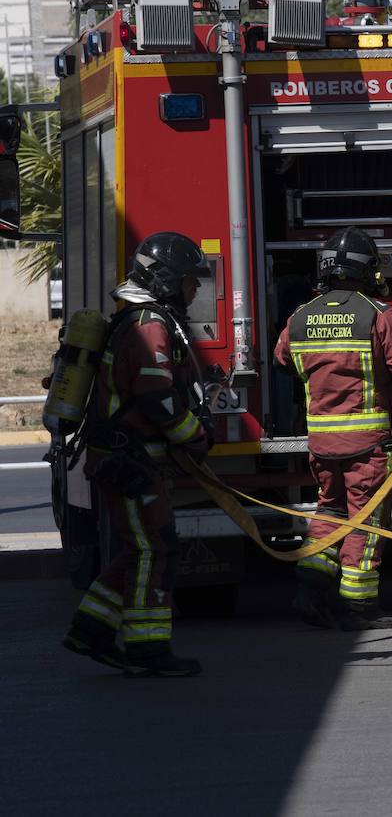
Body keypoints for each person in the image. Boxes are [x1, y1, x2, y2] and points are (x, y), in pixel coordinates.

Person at [62, 232, 212, 678]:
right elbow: (157, 398)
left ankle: (91, 631)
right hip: (132, 464)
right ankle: (148, 649)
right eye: (189, 280)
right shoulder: (150, 324)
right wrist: (194, 438)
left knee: (137, 549)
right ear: (165, 279)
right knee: (153, 550)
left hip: (123, 459)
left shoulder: (141, 317)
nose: (196, 288)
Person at [276, 226, 392, 631]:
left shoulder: (299, 317)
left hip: (322, 444)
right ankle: (359, 605)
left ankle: (310, 591)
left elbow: (283, 360)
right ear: (368, 270)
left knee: (329, 511)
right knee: (365, 520)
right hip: (367, 445)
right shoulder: (380, 315)